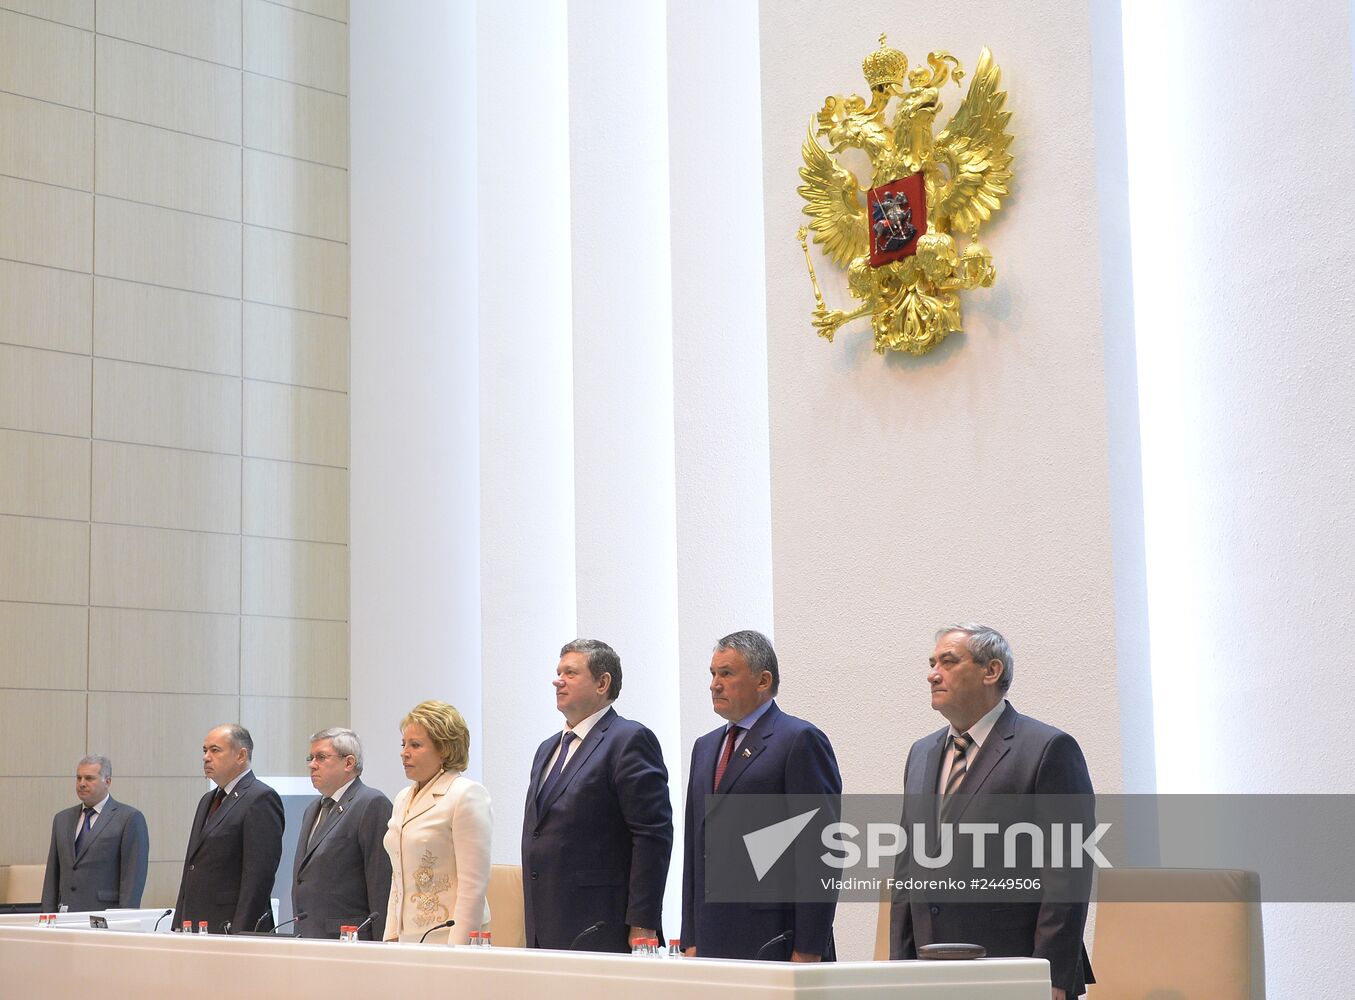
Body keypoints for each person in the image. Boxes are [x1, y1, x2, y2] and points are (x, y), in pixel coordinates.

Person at [889, 624, 1096, 999]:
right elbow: (907, 871)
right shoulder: (921, 753)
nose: (932, 673)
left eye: (948, 662)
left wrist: (1050, 977)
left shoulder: (1048, 748)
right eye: (933, 662)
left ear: (991, 671)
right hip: (928, 972)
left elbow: (1067, 877)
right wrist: (900, 969)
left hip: (1013, 971)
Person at [680, 629, 842, 961]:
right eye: (713, 674)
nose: (714, 684)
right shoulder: (705, 747)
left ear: (763, 680)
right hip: (711, 939)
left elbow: (821, 849)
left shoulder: (799, 740)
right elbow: (696, 847)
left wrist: (809, 947)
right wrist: (690, 936)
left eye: (726, 673)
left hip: (776, 939)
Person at [522, 639, 672, 951]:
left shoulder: (628, 739)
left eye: (571, 673)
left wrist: (642, 922)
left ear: (603, 682)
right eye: (558, 671)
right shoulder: (546, 749)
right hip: (545, 922)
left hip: (602, 925)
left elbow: (651, 835)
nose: (558, 680)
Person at [383, 700, 491, 945]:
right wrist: (390, 935)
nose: (404, 752)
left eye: (416, 745)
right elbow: (397, 875)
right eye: (403, 744)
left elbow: (473, 884)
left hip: (447, 935)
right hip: (405, 935)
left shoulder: (466, 794)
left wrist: (457, 949)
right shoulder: (402, 798)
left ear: (444, 749)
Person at [174, 724, 284, 933]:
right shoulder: (208, 799)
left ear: (241, 755)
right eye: (204, 750)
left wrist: (240, 933)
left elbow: (258, 877)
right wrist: (179, 922)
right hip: (198, 924)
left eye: (215, 750)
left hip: (232, 927)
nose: (206, 757)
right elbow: (192, 866)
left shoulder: (260, 798)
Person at [292, 727, 394, 940]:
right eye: (311, 758)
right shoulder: (312, 809)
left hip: (349, 939)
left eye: (321, 757)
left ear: (348, 763)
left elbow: (380, 884)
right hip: (308, 936)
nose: (312, 765)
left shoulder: (371, 803)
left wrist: (383, 947)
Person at [40, 755, 149, 912]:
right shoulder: (62, 819)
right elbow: (52, 875)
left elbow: (132, 879)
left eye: (89, 778)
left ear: (108, 781)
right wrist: (48, 916)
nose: (82, 784)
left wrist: (124, 920)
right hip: (64, 918)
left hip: (104, 918)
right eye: (79, 778)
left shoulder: (129, 818)